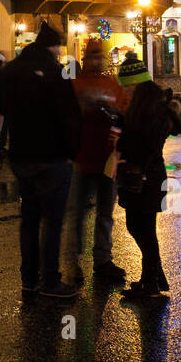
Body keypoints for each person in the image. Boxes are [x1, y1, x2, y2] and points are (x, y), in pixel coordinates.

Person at [0, 21, 82, 298]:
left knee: (29, 219)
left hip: (21, 154)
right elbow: (70, 117)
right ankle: (50, 281)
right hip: (52, 156)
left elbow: (0, 105)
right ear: (53, 46)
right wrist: (71, 153)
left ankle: (29, 278)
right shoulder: (56, 73)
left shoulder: (10, 71)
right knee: (52, 221)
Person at [115, 61, 181, 299]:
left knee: (142, 229)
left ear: (136, 83)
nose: (126, 91)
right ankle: (153, 278)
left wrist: (120, 137)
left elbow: (144, 143)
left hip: (144, 175)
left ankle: (151, 283)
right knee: (142, 228)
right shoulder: (149, 106)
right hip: (147, 174)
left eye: (128, 86)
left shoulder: (151, 109)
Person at [65, 39, 129, 284]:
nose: (95, 59)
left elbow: (124, 111)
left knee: (104, 213)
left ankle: (102, 259)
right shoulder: (77, 85)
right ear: (84, 58)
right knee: (78, 213)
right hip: (83, 159)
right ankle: (73, 262)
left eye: (98, 56)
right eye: (91, 55)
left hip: (105, 160)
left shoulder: (110, 85)